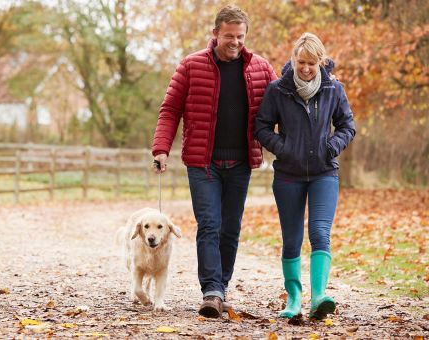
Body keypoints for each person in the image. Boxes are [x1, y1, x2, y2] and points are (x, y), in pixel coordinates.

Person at [151, 5, 277, 318]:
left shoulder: (261, 69)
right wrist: (161, 149)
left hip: (241, 164)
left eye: (240, 37)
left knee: (230, 229)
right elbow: (170, 110)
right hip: (202, 163)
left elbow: (283, 104)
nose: (235, 42)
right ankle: (211, 290)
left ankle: (221, 286)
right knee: (209, 224)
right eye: (229, 36)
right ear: (215, 33)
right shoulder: (191, 65)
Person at [254, 32, 356, 320]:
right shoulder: (278, 90)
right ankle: (295, 298)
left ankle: (319, 296)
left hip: (324, 172)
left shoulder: (333, 90)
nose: (306, 68)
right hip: (288, 175)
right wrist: (283, 149)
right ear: (293, 60)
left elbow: (347, 126)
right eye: (301, 62)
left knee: (320, 233)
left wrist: (331, 147)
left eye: (312, 63)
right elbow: (261, 127)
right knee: (292, 238)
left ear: (320, 62)